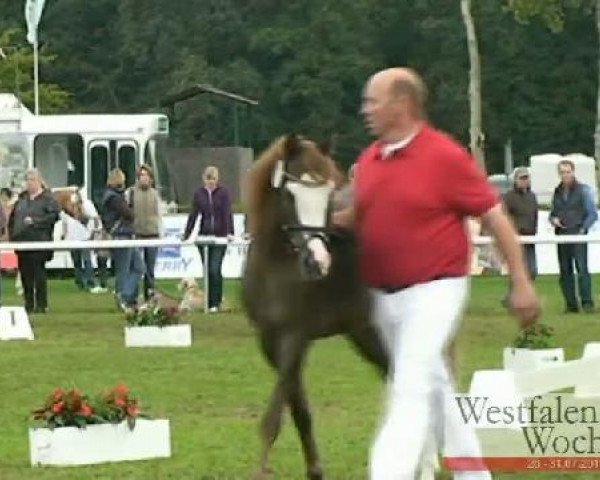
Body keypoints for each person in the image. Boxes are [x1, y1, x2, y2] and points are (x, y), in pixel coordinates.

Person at [333, 67, 540, 480]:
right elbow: (356, 217)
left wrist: (520, 282)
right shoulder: (370, 159)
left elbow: (496, 220)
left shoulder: (444, 156)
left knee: (409, 384)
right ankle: (473, 474)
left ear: (403, 104)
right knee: (436, 385)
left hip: (435, 290)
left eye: (373, 101)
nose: (365, 110)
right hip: (383, 296)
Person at [8, 169, 60, 314]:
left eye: (32, 180)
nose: (29, 183)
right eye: (27, 180)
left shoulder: (48, 199)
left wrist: (35, 222)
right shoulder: (22, 200)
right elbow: (13, 220)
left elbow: (54, 217)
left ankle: (42, 304)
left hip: (39, 242)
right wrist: (13, 236)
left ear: (39, 181)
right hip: (22, 243)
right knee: (25, 275)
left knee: (39, 274)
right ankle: (29, 304)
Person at [183, 165, 234, 313]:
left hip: (220, 236)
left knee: (214, 269)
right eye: (208, 179)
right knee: (207, 271)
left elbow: (227, 213)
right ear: (204, 179)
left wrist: (230, 231)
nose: (211, 182)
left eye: (213, 179)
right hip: (204, 236)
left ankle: (215, 302)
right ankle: (209, 301)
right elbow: (194, 214)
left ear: (217, 179)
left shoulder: (223, 193)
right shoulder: (199, 194)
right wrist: (187, 234)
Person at [549, 159, 597, 313]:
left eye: (568, 172)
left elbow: (592, 214)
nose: (565, 175)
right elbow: (553, 213)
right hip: (562, 235)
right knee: (565, 271)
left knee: (582, 269)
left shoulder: (583, 190)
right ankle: (571, 304)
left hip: (578, 234)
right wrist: (553, 220)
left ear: (573, 172)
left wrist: (583, 229)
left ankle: (587, 303)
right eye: (562, 172)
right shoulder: (557, 192)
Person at [100, 168, 144, 312]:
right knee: (123, 270)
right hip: (121, 235)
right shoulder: (114, 198)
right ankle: (122, 296)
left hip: (126, 235)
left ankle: (126, 295)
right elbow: (129, 214)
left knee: (138, 267)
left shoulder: (109, 196)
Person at [502, 166, 539, 305]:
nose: (525, 181)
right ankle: (514, 297)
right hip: (515, 238)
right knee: (517, 270)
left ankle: (517, 296)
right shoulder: (509, 197)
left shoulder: (532, 196)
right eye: (522, 178)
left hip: (530, 238)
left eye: (526, 178)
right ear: (515, 180)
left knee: (532, 270)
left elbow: (535, 216)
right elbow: (504, 216)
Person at [126, 165, 162, 301]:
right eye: (141, 175)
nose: (144, 178)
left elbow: (159, 215)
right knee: (135, 268)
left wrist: (161, 234)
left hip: (152, 234)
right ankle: (132, 297)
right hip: (137, 234)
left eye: (146, 175)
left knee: (150, 269)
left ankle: (150, 296)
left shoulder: (155, 194)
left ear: (151, 178)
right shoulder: (131, 193)